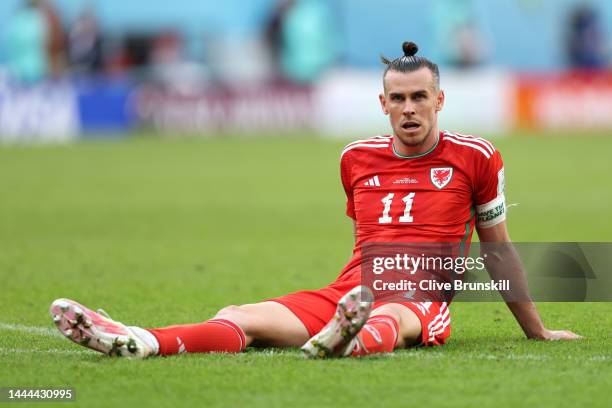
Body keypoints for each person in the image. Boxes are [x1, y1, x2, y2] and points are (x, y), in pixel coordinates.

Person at [50, 41, 581, 359]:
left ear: (439, 99)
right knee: (242, 316)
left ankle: (347, 339)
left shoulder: (477, 156)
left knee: (391, 316)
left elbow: (499, 252)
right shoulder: (355, 159)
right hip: (346, 293)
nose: (410, 108)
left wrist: (538, 331)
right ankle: (141, 341)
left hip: (417, 301)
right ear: (383, 104)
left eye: (420, 97)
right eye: (398, 98)